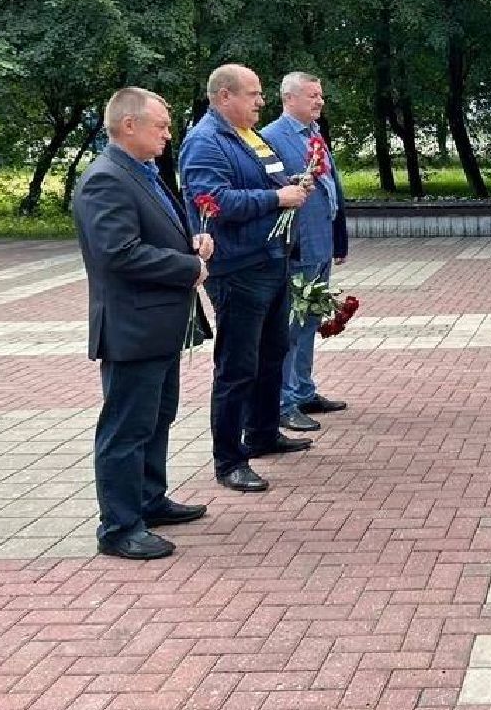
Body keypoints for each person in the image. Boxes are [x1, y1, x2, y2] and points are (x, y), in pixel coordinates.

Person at [73, 88, 212, 560]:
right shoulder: (106, 179)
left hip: (158, 325)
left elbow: (147, 235)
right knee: (125, 429)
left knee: (157, 417)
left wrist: (188, 246)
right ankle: (119, 526)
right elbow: (119, 253)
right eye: (161, 126)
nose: (168, 134)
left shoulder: (141, 173)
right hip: (132, 327)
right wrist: (187, 268)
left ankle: (149, 500)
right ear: (128, 125)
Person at [180, 64, 314, 493]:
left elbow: (262, 182)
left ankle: (262, 433)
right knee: (237, 366)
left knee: (271, 351)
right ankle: (229, 459)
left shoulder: (246, 136)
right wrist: (278, 197)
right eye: (252, 94)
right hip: (238, 268)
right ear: (224, 97)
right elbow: (213, 202)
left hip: (269, 259)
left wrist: (292, 185)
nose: (261, 102)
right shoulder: (205, 142)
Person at [262, 72, 350, 432]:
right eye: (312, 96)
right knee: (291, 326)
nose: (319, 102)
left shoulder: (314, 134)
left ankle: (303, 389)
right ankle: (284, 401)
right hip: (297, 247)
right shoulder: (272, 138)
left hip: (320, 243)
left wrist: (339, 237)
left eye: (321, 96)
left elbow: (332, 186)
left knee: (311, 319)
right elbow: (273, 191)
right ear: (289, 99)